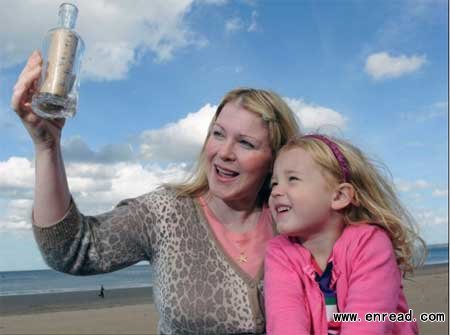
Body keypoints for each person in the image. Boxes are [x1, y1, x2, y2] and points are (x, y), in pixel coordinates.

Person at [11, 50, 301, 334]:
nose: (224, 152)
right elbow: (70, 250)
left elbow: (343, 308)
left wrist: (347, 321)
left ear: (275, 159)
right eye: (218, 134)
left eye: (246, 143)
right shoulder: (165, 213)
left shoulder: (297, 222)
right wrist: (46, 146)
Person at [264, 135, 426, 335]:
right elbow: (284, 319)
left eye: (292, 179)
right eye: (274, 183)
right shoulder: (279, 251)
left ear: (339, 196)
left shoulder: (370, 243)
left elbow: (366, 324)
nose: (276, 191)